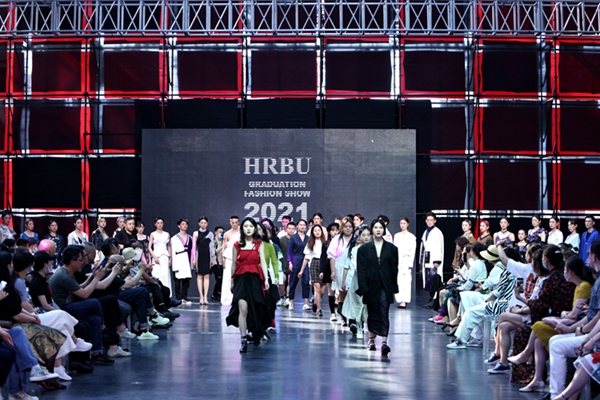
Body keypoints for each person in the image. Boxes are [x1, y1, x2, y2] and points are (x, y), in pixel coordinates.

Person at [546, 239, 600, 398]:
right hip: (591, 332)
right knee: (554, 340)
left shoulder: (592, 284)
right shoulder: (595, 282)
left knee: (557, 345)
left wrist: (584, 333)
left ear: (593, 257)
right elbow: (592, 316)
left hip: (593, 334)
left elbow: (596, 317)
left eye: (589, 254)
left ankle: (558, 394)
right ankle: (560, 394)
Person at [225, 217, 270, 353]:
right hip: (241, 279)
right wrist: (232, 281)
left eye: (251, 226)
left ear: (254, 228)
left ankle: (255, 330)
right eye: (246, 226)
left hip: (255, 279)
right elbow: (234, 264)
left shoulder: (259, 244)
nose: (248, 229)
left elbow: (263, 262)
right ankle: (243, 339)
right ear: (242, 229)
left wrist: (266, 279)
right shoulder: (237, 244)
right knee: (243, 309)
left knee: (256, 307)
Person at [356, 219, 398, 355]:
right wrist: (363, 287)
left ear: (384, 230)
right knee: (372, 313)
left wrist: (394, 286)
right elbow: (361, 270)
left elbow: (394, 269)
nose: (378, 230)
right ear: (372, 230)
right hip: (370, 285)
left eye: (381, 227)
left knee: (384, 311)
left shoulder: (392, 248)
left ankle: (384, 342)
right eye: (375, 227)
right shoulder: (363, 249)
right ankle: (371, 340)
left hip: (385, 285)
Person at [342, 225, 371, 338]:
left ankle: (367, 326)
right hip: (356, 280)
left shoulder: (374, 249)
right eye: (363, 235)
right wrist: (344, 280)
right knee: (357, 304)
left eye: (368, 235)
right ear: (359, 237)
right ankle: (358, 326)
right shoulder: (354, 250)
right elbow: (352, 265)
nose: (366, 237)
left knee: (367, 304)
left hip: (370, 280)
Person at [328, 217, 354, 322]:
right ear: (342, 228)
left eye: (350, 226)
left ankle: (352, 318)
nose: (348, 228)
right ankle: (343, 317)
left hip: (353, 268)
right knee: (342, 293)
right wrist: (332, 271)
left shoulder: (356, 238)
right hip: (340, 268)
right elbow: (332, 256)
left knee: (352, 293)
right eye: (345, 226)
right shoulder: (337, 239)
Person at [298, 224, 325, 316]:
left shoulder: (326, 242)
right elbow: (306, 257)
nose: (317, 232)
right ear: (312, 232)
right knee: (317, 288)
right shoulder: (310, 243)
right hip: (314, 263)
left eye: (319, 230)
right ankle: (319, 309)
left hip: (323, 264)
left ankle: (315, 302)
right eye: (315, 231)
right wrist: (301, 270)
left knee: (322, 291)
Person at [419, 212, 444, 308]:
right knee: (428, 280)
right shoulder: (426, 232)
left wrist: (437, 261)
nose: (429, 222)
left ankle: (435, 300)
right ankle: (431, 298)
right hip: (426, 259)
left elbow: (438, 246)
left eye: (431, 220)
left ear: (435, 221)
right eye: (428, 220)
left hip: (433, 260)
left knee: (434, 280)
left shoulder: (437, 232)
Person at [192, 217, 216, 305]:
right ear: (199, 223)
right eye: (201, 223)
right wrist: (193, 258)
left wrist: (213, 258)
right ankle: (201, 296)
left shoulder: (210, 234)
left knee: (206, 276)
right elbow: (194, 247)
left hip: (207, 256)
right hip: (199, 256)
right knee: (199, 276)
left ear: (207, 224)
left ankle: (205, 296)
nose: (203, 224)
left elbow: (212, 247)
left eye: (205, 223)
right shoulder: (195, 233)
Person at [393, 217, 416, 308]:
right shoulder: (397, 236)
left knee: (406, 281)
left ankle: (404, 300)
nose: (402, 225)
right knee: (398, 280)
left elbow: (412, 251)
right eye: (401, 223)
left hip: (406, 259)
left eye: (404, 223)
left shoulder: (411, 237)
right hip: (398, 260)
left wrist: (410, 263)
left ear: (407, 224)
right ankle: (399, 299)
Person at [287, 219, 309, 310]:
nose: (302, 227)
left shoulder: (308, 238)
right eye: (300, 225)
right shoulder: (293, 237)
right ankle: (291, 301)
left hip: (305, 260)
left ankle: (306, 303)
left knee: (306, 282)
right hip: (295, 260)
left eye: (304, 225)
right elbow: (289, 251)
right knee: (293, 282)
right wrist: (290, 262)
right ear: (297, 226)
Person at [171, 219, 193, 304]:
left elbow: (192, 250)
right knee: (178, 279)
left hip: (187, 259)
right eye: (182, 224)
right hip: (178, 258)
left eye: (186, 224)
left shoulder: (190, 238)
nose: (184, 226)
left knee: (186, 279)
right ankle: (178, 297)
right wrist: (174, 265)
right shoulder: (174, 238)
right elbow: (173, 252)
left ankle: (184, 297)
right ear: (179, 226)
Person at [148, 217, 172, 295]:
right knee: (156, 274)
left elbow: (168, 246)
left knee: (165, 275)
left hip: (165, 256)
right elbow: (149, 247)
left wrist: (170, 258)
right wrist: (154, 257)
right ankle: (157, 293)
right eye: (158, 223)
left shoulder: (167, 234)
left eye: (161, 223)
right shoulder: (153, 234)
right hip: (156, 256)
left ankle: (166, 293)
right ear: (155, 224)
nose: (160, 225)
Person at [221, 216, 240, 306]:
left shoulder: (241, 233)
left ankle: (236, 298)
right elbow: (224, 247)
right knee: (227, 278)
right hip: (228, 257)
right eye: (233, 222)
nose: (234, 224)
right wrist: (223, 260)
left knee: (237, 278)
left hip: (238, 258)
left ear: (238, 223)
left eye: (236, 222)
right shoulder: (227, 234)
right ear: (230, 223)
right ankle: (226, 299)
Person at [278, 221, 295, 306]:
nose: (291, 230)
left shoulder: (296, 240)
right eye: (289, 228)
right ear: (286, 229)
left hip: (293, 264)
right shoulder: (281, 240)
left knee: (289, 281)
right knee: (282, 281)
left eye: (293, 229)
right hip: (282, 263)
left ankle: (288, 298)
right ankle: (282, 298)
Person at [212, 226, 225, 300]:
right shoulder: (213, 241)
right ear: (216, 232)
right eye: (220, 232)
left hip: (222, 263)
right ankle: (215, 293)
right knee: (219, 279)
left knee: (222, 279)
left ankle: (218, 293)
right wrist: (222, 247)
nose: (221, 233)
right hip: (215, 263)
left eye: (222, 232)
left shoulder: (224, 241)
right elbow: (214, 252)